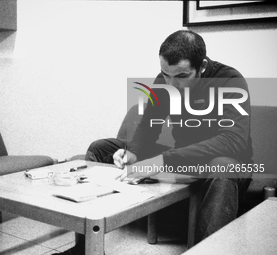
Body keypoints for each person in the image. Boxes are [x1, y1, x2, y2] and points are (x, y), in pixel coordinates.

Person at [56, 30, 253, 255]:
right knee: (100, 148)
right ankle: (86, 248)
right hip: (182, 158)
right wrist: (134, 153)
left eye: (182, 76)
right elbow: (147, 128)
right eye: (166, 74)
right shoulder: (165, 82)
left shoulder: (230, 81)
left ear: (203, 66)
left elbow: (232, 141)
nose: (172, 84)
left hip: (225, 165)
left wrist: (160, 161)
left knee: (223, 165)